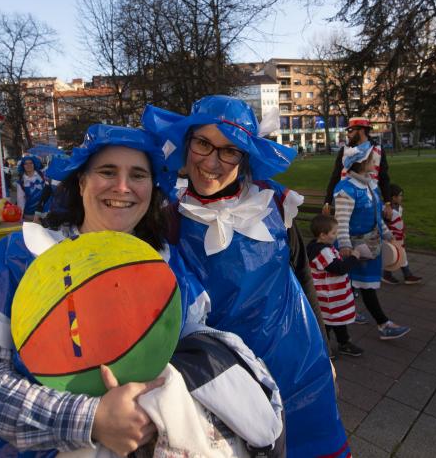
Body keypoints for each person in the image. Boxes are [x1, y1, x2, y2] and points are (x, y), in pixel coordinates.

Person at [0, 124, 282, 457]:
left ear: (151, 188)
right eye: (107, 171)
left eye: (138, 175)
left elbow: (194, 355)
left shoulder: (168, 265)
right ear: (81, 182)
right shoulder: (23, 256)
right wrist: (93, 419)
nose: (122, 187)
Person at [143, 95, 350, 457]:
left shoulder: (274, 204)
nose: (212, 162)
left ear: (245, 157)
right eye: (203, 143)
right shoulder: (167, 222)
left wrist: (326, 353)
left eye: (229, 150)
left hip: (302, 371)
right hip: (226, 383)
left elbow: (302, 278)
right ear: (187, 144)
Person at [334, 142, 411, 341]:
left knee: (354, 283)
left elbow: (377, 217)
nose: (374, 161)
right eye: (370, 158)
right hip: (355, 248)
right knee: (365, 286)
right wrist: (345, 246)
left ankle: (351, 311)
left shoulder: (370, 185)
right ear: (360, 162)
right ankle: (383, 324)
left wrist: (389, 235)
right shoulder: (346, 189)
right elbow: (341, 221)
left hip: (370, 245)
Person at [307, 214, 365, 357]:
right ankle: (324, 348)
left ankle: (343, 342)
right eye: (333, 232)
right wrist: (354, 257)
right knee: (327, 322)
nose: (336, 235)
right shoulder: (322, 251)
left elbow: (333, 264)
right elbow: (339, 268)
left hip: (331, 296)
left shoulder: (320, 247)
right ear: (323, 235)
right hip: (328, 296)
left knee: (337, 319)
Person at [323, 116, 391, 213]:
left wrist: (388, 203)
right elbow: (335, 176)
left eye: (350, 130)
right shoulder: (344, 151)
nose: (348, 134)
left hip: (369, 203)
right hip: (346, 201)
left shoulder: (377, 150)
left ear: (362, 131)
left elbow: (384, 178)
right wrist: (327, 202)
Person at [382, 184, 423, 285]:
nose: (402, 197)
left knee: (394, 254)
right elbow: (384, 224)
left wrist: (402, 233)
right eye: (400, 195)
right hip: (389, 237)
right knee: (399, 254)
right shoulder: (386, 210)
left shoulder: (398, 208)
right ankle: (407, 275)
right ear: (393, 197)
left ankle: (387, 275)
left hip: (396, 236)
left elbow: (399, 223)